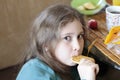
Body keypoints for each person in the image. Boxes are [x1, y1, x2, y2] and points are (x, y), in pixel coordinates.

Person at [16, 4, 99, 80]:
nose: (77, 46)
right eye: (67, 38)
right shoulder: (34, 74)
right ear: (46, 44)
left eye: (79, 36)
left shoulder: (71, 65)